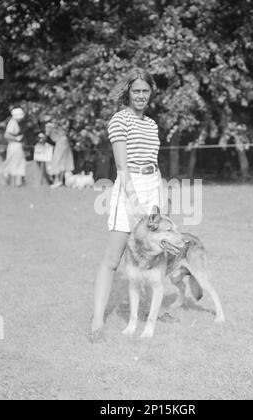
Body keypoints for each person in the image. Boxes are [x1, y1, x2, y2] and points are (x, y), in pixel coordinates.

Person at [91, 67, 163, 341]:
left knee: (151, 254)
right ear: (128, 93)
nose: (141, 95)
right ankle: (97, 321)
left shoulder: (152, 124)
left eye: (145, 91)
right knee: (113, 258)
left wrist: (158, 197)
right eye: (137, 91)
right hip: (128, 188)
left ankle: (151, 311)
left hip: (151, 186)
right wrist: (133, 200)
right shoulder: (119, 120)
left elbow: (155, 163)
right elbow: (122, 166)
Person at [44, 119, 74, 188]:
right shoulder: (53, 126)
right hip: (61, 143)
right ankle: (59, 181)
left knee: (58, 161)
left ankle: (58, 181)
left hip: (61, 144)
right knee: (60, 162)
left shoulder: (58, 128)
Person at [0, 107, 26, 187]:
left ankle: (17, 183)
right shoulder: (12, 123)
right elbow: (6, 135)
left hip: (15, 145)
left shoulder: (14, 122)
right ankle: (13, 182)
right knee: (13, 163)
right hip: (14, 145)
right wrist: (16, 138)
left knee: (17, 162)